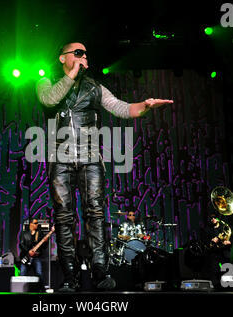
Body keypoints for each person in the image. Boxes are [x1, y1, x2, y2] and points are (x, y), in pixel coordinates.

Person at [36, 42, 173, 292]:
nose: (84, 57)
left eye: (85, 54)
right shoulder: (46, 82)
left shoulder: (95, 87)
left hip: (90, 157)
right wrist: (71, 75)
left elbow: (120, 107)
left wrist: (145, 106)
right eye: (78, 53)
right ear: (62, 58)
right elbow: (49, 100)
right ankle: (69, 276)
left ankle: (100, 272)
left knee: (96, 213)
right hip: (60, 158)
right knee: (64, 217)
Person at [202, 212, 232, 289]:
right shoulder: (207, 229)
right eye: (211, 218)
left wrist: (229, 242)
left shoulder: (224, 228)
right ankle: (216, 287)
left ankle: (227, 288)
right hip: (213, 253)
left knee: (227, 269)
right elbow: (204, 241)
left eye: (215, 217)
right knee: (214, 271)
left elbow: (231, 237)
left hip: (224, 252)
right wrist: (211, 241)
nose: (213, 219)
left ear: (218, 219)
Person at [19, 218, 48, 288]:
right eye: (35, 223)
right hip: (26, 257)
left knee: (39, 273)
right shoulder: (24, 233)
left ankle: (41, 290)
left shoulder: (40, 233)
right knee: (22, 273)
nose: (37, 224)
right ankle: (20, 290)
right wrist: (28, 251)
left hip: (36, 257)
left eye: (37, 223)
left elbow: (43, 247)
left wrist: (46, 242)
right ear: (31, 224)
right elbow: (21, 244)